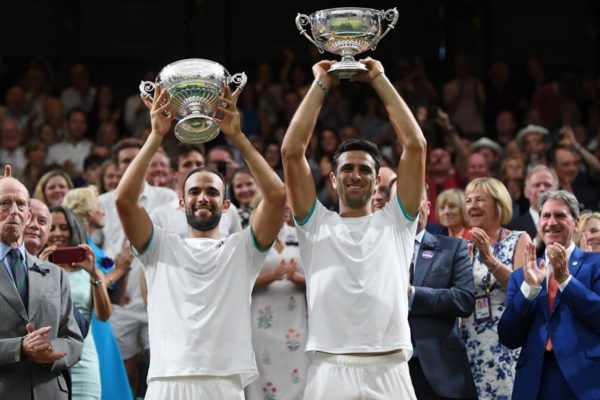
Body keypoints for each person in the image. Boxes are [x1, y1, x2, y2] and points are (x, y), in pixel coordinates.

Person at [115, 85, 285, 399]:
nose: (202, 197)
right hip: (168, 382)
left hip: (223, 384)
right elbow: (125, 201)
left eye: (212, 192)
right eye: (193, 192)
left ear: (226, 205)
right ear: (181, 203)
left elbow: (276, 196)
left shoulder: (242, 250)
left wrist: (237, 136)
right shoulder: (159, 248)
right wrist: (156, 136)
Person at [281, 57, 426, 399]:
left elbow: (416, 146)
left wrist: (378, 78)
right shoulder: (314, 222)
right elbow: (291, 152)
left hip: (390, 366)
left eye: (364, 169)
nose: (356, 175)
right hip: (331, 366)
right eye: (347, 169)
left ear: (378, 181)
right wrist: (320, 83)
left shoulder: (398, 221)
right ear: (332, 179)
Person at [498, 190, 600, 400]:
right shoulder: (521, 276)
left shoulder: (596, 264)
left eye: (560, 215)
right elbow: (508, 336)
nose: (551, 222)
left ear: (577, 223)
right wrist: (529, 290)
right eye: (546, 216)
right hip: (535, 380)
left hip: (584, 379)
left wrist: (565, 281)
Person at [0, 165, 83, 399]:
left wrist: (52, 351)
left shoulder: (55, 274)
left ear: (28, 216)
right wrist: (19, 347)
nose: (14, 211)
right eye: (4, 203)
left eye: (21, 204)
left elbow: (74, 340)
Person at [460, 177, 531, 399]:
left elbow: (522, 290)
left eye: (480, 199)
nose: (472, 206)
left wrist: (490, 259)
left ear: (499, 204)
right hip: (468, 342)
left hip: (505, 342)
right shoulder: (461, 247)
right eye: (469, 200)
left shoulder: (520, 239)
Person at [62, 186, 132, 400]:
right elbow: (88, 281)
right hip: (88, 326)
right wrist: (118, 270)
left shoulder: (95, 250)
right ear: (88, 211)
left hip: (102, 322)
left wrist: (124, 266)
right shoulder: (80, 250)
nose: (103, 211)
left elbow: (116, 297)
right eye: (98, 206)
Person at [408, 189, 476, 399]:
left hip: (440, 371)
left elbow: (464, 299)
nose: (411, 204)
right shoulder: (378, 250)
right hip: (388, 368)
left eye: (416, 198)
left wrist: (413, 294)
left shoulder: (452, 247)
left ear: (428, 207)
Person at [40, 205, 112, 400]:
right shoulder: (34, 266)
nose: (57, 234)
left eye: (64, 228)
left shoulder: (87, 270)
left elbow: (104, 315)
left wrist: (95, 273)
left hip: (84, 360)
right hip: (47, 361)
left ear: (73, 229)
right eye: (51, 227)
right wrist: (40, 271)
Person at [245, 205, 309, 400]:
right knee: (262, 376)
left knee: (298, 372)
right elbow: (239, 283)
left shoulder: (301, 236)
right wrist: (273, 276)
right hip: (261, 323)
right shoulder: (250, 238)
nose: (285, 206)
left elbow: (319, 280)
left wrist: (295, 277)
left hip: (295, 321)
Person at [507, 165, 559, 257]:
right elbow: (512, 260)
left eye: (547, 185)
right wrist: (537, 241)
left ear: (557, 191)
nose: (542, 189)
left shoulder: (566, 223)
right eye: (537, 185)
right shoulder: (513, 227)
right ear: (526, 192)